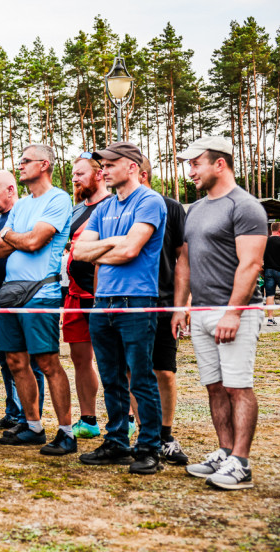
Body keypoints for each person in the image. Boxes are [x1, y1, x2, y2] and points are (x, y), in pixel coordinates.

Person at [172, 136, 267, 490]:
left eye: (196, 163)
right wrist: (182, 308)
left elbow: (252, 262)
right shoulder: (194, 210)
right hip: (201, 313)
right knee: (214, 387)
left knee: (237, 386)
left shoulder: (245, 206)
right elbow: (184, 264)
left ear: (220, 164)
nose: (190, 171)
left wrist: (233, 312)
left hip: (237, 313)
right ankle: (225, 452)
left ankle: (241, 462)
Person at [74, 142, 167, 475]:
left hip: (137, 302)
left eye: (112, 164)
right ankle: (116, 442)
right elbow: (79, 252)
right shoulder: (103, 208)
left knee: (140, 379)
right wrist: (114, 244)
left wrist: (107, 249)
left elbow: (131, 250)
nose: (105, 170)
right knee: (112, 377)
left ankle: (149, 448)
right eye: (103, 165)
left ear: (132, 166)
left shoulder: (150, 201)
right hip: (103, 303)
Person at [0, 143, 75, 456]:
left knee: (47, 361)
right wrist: (19, 239)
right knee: (15, 361)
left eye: (26, 161)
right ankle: (33, 426)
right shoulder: (22, 205)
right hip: (11, 292)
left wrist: (15, 238)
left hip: (41, 292)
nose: (21, 164)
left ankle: (66, 432)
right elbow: (0, 249)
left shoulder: (58, 198)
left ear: (44, 165)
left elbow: (33, 242)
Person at [0, 170, 45, 434]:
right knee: (7, 357)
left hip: (18, 296)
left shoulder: (25, 215)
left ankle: (31, 418)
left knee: (28, 359)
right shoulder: (3, 219)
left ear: (10, 189)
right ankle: (14, 411)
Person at [138, 157, 189, 466]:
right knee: (134, 372)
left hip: (164, 301)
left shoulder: (171, 207)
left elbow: (184, 257)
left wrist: (182, 305)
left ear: (141, 174)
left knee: (164, 372)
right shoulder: (116, 208)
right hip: (128, 303)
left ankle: (166, 436)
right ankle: (146, 436)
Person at [63, 154, 111, 439]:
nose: (75, 178)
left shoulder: (114, 206)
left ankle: (126, 417)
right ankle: (88, 419)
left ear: (99, 174)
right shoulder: (76, 210)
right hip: (74, 296)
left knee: (115, 361)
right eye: (73, 174)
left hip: (103, 296)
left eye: (80, 173)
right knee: (80, 359)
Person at [263, 222, 280, 326]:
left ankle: (270, 319)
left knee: (270, 295)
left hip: (268, 271)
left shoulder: (265, 242)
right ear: (279, 230)